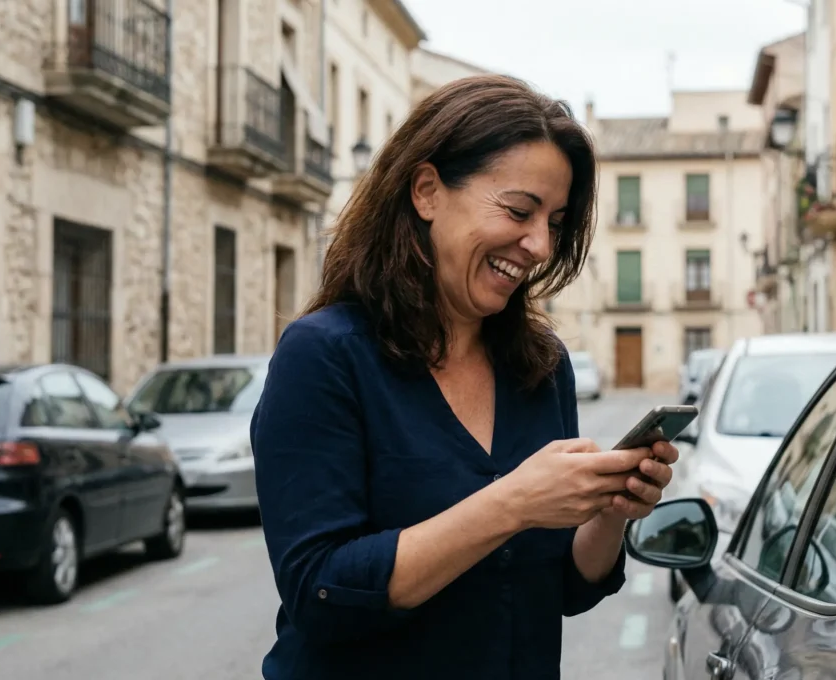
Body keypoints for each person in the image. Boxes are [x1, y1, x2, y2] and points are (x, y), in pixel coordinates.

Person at [250, 74, 679, 679]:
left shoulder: (542, 367)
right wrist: (513, 503)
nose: (538, 245)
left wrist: (609, 510)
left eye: (555, 222)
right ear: (427, 191)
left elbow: (561, 588)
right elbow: (321, 591)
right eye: (519, 210)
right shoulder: (323, 357)